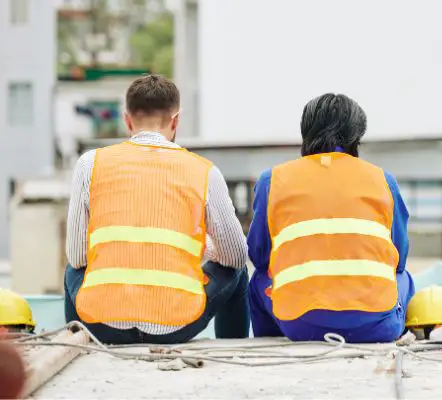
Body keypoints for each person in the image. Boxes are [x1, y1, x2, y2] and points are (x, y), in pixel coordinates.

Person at [64, 74, 250, 344]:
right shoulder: (204, 171)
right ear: (175, 121)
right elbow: (235, 256)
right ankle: (234, 348)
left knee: (72, 269)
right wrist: (203, 246)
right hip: (177, 326)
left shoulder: (89, 164)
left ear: (127, 120)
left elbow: (77, 256)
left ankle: (77, 345)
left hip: (103, 326)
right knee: (238, 271)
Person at [248, 93, 415, 343]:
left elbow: (258, 255)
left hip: (298, 327)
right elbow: (399, 259)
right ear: (356, 137)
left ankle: (269, 343)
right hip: (377, 328)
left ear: (306, 132)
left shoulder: (272, 180)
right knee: (404, 278)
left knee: (258, 279)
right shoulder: (383, 180)